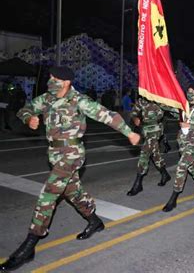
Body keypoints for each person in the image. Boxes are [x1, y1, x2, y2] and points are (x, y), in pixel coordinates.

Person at [0, 66, 140, 271]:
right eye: (50, 76)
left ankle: (29, 245)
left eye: (54, 77)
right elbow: (26, 108)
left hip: (72, 154)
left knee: (47, 195)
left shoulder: (79, 100)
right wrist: (28, 118)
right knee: (72, 192)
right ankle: (94, 221)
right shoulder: (47, 98)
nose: (50, 80)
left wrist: (129, 133)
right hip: (54, 154)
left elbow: (107, 115)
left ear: (66, 82)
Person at [162, 85, 194, 212]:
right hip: (182, 140)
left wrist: (191, 125)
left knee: (182, 165)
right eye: (188, 91)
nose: (190, 93)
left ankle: (174, 198)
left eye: (193, 91)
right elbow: (167, 107)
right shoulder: (183, 107)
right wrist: (158, 97)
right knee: (190, 166)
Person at [126, 97, 179, 196]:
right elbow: (134, 111)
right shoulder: (142, 100)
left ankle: (138, 184)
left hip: (156, 130)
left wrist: (185, 116)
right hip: (146, 130)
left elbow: (175, 110)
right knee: (155, 154)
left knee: (144, 154)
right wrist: (135, 118)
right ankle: (165, 174)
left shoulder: (159, 99)